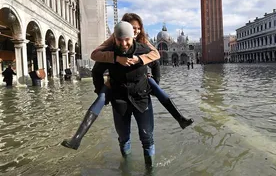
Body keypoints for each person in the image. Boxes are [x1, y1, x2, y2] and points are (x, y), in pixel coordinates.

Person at [61, 13, 193, 151]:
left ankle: (180, 119)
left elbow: (156, 59)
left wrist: (142, 62)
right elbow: (96, 62)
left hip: (141, 92)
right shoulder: (112, 43)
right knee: (122, 135)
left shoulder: (143, 44)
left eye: (137, 28)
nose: (134, 31)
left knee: (147, 137)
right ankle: (77, 138)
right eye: (131, 28)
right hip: (118, 96)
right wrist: (115, 59)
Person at [92, 21, 157, 167]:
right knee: (123, 137)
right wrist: (101, 92)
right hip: (119, 100)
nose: (123, 43)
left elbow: (155, 63)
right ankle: (126, 168)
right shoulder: (109, 54)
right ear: (114, 39)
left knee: (147, 137)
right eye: (119, 40)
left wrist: (155, 86)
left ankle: (150, 169)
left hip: (142, 99)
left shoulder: (143, 50)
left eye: (126, 39)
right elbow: (96, 72)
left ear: (133, 37)